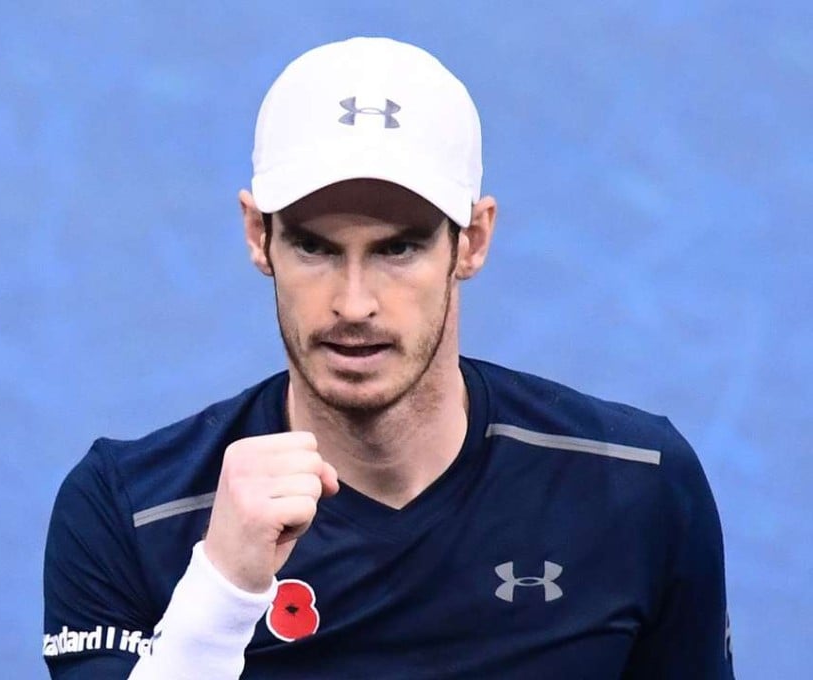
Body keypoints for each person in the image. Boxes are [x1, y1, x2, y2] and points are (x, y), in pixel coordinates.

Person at [42, 37, 734, 679]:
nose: (353, 304)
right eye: (314, 247)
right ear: (258, 236)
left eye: (398, 248)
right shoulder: (130, 514)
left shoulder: (638, 485)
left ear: (472, 240)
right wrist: (221, 593)